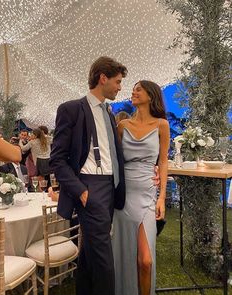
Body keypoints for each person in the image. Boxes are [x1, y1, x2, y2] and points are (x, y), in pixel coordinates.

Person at [49, 56, 128, 295]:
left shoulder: (108, 112)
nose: (119, 87)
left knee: (90, 251)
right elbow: (57, 159)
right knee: (104, 258)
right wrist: (81, 190)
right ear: (102, 78)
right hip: (90, 187)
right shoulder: (71, 109)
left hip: (110, 187)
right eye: (117, 81)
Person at [112, 80, 170, 295]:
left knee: (145, 260)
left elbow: (163, 162)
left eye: (138, 89)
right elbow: (115, 162)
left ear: (151, 95)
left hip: (147, 194)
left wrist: (162, 196)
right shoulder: (122, 126)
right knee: (125, 254)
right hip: (124, 195)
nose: (133, 92)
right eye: (133, 89)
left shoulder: (161, 125)